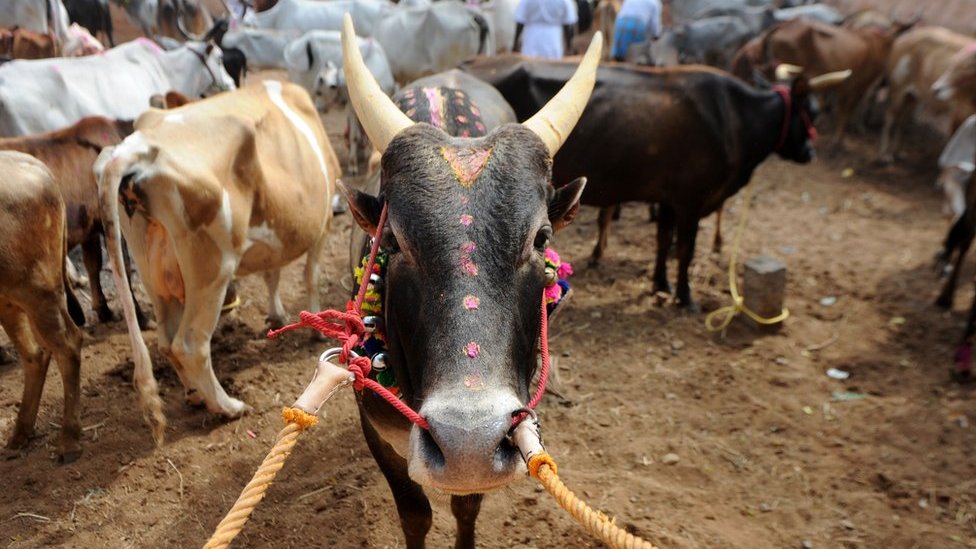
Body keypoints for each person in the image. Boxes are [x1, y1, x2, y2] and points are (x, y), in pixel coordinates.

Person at [514, 0, 579, 59]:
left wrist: (515, 44)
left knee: (530, 65)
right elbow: (567, 25)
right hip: (553, 38)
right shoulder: (565, 1)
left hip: (532, 37)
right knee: (552, 65)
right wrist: (569, 46)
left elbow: (520, 22)